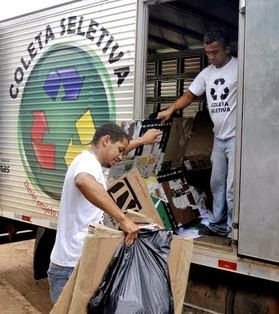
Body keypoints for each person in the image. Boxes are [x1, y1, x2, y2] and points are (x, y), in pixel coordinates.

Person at [47, 123, 162, 304]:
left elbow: (118, 148)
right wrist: (123, 220)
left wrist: (143, 140)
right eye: (120, 150)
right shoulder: (88, 163)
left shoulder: (90, 160)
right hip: (70, 268)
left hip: (77, 264)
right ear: (106, 141)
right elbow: (83, 181)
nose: (121, 156)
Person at [158, 29, 237, 241]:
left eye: (215, 52)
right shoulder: (207, 73)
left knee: (232, 187)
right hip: (219, 138)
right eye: (207, 53)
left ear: (227, 49)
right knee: (217, 184)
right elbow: (190, 95)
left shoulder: (240, 68)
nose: (211, 57)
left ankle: (232, 230)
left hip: (238, 138)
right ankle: (218, 225)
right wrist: (171, 109)